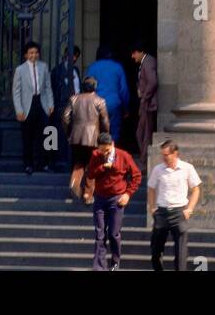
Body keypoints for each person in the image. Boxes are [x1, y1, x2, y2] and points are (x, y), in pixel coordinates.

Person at [83, 132, 142, 271]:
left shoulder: (124, 156)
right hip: (100, 198)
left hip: (116, 199)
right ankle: (99, 267)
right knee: (100, 233)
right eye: (101, 150)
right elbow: (90, 174)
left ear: (112, 145)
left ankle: (115, 262)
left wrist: (127, 194)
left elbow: (137, 176)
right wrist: (102, 166)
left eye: (107, 150)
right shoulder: (95, 155)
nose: (104, 152)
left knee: (114, 233)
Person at [147, 139, 201, 272]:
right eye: (162, 155)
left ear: (175, 153)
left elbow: (196, 189)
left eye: (166, 155)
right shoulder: (158, 169)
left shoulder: (187, 168)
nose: (164, 158)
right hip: (162, 211)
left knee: (181, 252)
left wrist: (190, 209)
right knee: (155, 249)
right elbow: (151, 188)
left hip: (179, 211)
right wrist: (152, 207)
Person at [62, 76, 110, 200]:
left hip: (76, 137)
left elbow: (65, 118)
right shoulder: (100, 100)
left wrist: (69, 133)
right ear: (95, 87)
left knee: (79, 162)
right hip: (93, 138)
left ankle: (74, 184)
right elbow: (105, 121)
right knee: (92, 165)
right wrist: (105, 136)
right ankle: (88, 194)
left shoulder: (74, 99)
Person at [12, 41, 54, 176]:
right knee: (28, 137)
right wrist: (19, 110)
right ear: (26, 55)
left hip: (41, 102)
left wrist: (50, 104)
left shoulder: (44, 66)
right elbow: (16, 91)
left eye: (36, 52)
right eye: (31, 53)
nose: (34, 55)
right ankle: (28, 164)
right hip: (27, 105)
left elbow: (48, 87)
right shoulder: (20, 70)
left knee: (48, 133)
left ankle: (46, 163)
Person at [86, 45, 129, 147]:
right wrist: (126, 108)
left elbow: (87, 86)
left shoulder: (92, 67)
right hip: (113, 104)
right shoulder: (118, 67)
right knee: (114, 132)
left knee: (97, 131)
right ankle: (112, 156)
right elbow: (124, 90)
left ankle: (98, 156)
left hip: (96, 104)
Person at [51, 45, 82, 164]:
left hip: (76, 107)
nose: (73, 58)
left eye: (75, 56)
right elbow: (54, 89)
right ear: (65, 55)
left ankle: (71, 160)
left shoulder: (76, 70)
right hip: (62, 107)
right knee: (60, 134)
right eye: (72, 55)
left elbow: (79, 87)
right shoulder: (56, 71)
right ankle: (58, 160)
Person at [131, 43, 158, 163]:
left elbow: (152, 82)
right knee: (141, 133)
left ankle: (144, 160)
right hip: (145, 103)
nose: (132, 56)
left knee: (143, 133)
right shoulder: (145, 62)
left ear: (140, 52)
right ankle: (144, 159)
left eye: (134, 53)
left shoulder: (148, 62)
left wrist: (144, 97)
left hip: (148, 104)